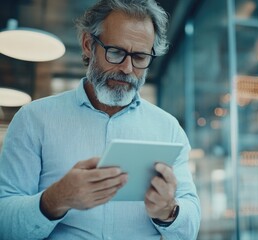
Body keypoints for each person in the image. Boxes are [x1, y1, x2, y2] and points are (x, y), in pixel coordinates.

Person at [0, 0, 201, 239]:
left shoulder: (167, 128)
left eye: (139, 57)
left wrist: (169, 211)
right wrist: (55, 199)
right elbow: (5, 223)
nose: (127, 68)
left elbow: (190, 225)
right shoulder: (34, 119)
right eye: (116, 52)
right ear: (88, 45)